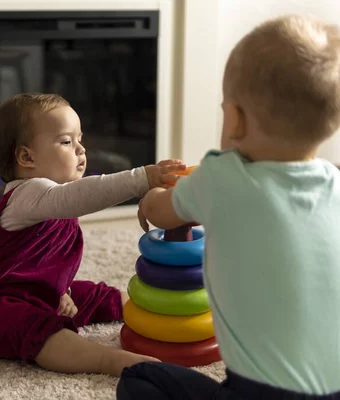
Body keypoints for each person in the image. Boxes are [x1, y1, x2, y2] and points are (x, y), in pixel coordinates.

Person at [121, 15, 340, 399]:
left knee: (139, 380)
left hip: (263, 394)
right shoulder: (336, 182)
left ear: (234, 118)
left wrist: (152, 195)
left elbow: (162, 212)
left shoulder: (222, 178)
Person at [0, 92, 187, 377]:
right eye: (66, 141)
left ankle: (156, 311)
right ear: (27, 157)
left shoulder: (51, 200)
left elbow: (38, 264)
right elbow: (76, 197)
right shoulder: (28, 193)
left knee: (95, 295)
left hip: (35, 293)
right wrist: (141, 178)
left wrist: (63, 289)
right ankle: (107, 361)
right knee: (38, 330)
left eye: (80, 139)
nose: (81, 150)